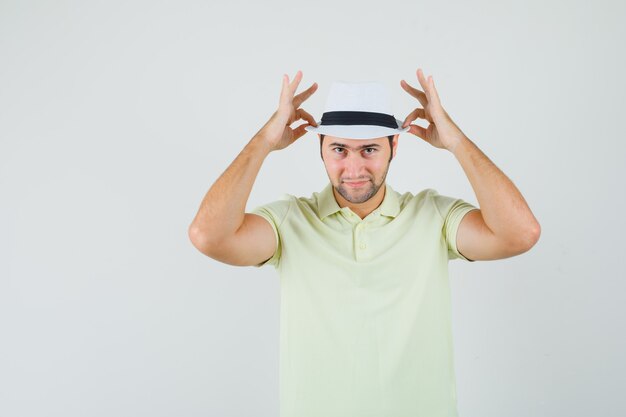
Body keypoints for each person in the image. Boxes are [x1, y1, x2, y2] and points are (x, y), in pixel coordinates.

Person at [188, 69, 541, 417]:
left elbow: (520, 233)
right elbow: (208, 236)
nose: (354, 168)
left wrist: (456, 141)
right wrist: (262, 142)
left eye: (369, 149)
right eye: (339, 149)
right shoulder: (290, 221)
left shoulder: (432, 216)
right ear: (321, 149)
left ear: (394, 146)